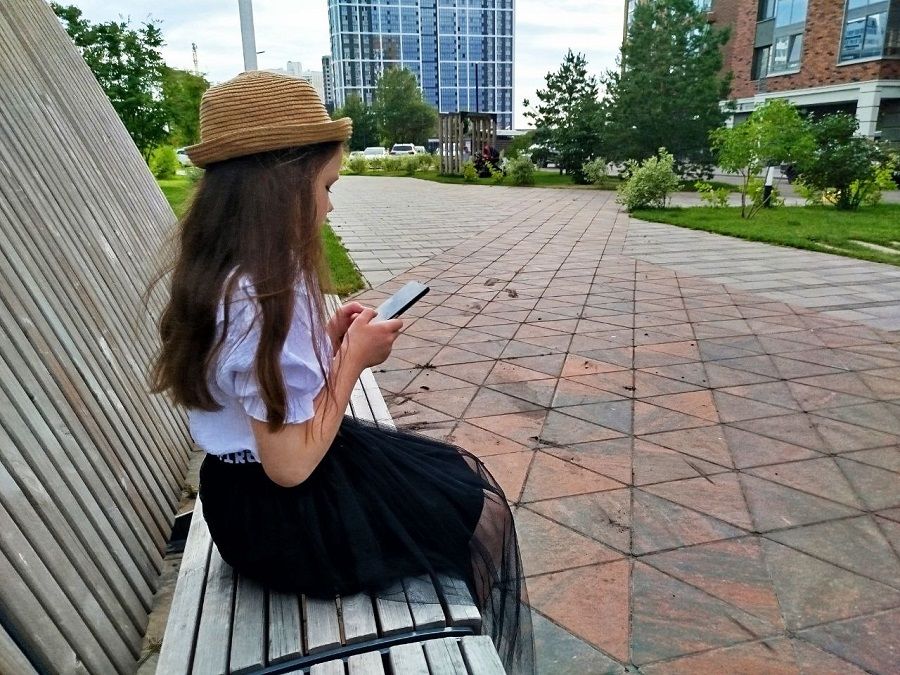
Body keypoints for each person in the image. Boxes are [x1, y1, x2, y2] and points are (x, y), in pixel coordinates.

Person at [150, 71, 532, 672]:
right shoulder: (259, 301)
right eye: (326, 186)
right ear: (281, 187)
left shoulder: (231, 275)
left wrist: (327, 341)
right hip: (280, 517)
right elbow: (290, 465)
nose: (331, 204)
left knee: (455, 485)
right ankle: (466, 657)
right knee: (479, 511)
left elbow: (261, 391)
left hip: (243, 487)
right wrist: (353, 359)